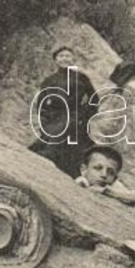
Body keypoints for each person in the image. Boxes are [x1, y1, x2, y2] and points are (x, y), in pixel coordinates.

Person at [29, 45, 96, 179]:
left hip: (77, 116)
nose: (64, 59)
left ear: (73, 59)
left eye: (68, 56)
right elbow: (41, 104)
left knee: (74, 146)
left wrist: (86, 114)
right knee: (51, 141)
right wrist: (45, 122)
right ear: (56, 60)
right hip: (55, 118)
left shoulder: (81, 78)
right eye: (61, 56)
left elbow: (94, 98)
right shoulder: (49, 81)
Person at [76, 145, 135, 210]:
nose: (104, 175)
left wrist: (106, 191)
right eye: (98, 168)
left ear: (115, 177)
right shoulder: (81, 182)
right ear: (84, 169)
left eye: (111, 172)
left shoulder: (114, 186)